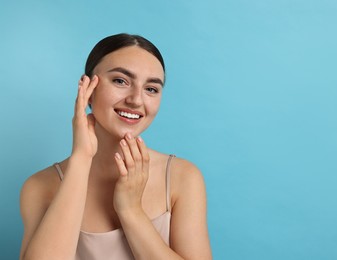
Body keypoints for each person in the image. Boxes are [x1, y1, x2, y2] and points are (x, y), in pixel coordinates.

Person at [19, 33, 212, 260]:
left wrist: (131, 211)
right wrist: (81, 159)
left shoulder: (182, 177)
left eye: (151, 88)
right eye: (121, 81)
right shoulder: (40, 187)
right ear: (88, 89)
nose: (136, 100)